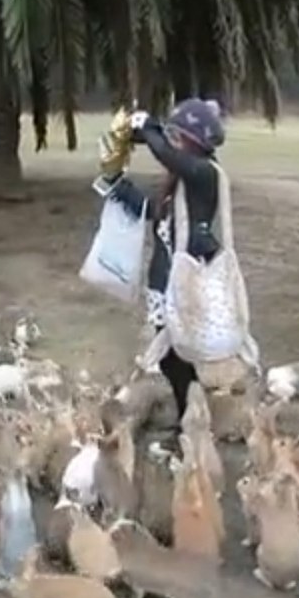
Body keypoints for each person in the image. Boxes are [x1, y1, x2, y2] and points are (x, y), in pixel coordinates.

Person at [100, 98, 228, 422]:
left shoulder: (204, 173)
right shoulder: (182, 180)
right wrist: (115, 182)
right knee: (171, 360)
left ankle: (192, 418)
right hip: (165, 282)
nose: (173, 143)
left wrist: (148, 127)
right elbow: (155, 213)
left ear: (193, 141)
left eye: (177, 137)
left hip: (185, 283)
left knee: (179, 357)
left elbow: (166, 153)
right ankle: (190, 413)